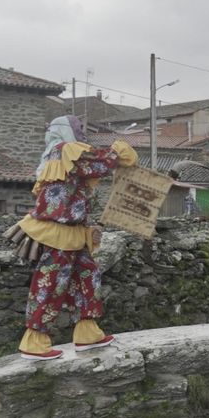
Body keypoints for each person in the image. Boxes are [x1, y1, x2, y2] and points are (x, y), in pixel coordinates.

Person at [9, 115, 139, 360]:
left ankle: (87, 333)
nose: (82, 133)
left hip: (74, 232)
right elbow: (98, 164)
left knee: (88, 277)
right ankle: (34, 341)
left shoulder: (61, 153)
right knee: (50, 285)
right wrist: (117, 150)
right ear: (65, 131)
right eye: (78, 128)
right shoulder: (65, 150)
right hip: (58, 233)